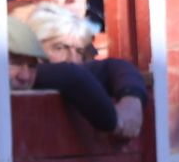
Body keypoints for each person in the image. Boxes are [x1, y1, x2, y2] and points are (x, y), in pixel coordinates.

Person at [13, 11, 150, 139]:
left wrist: (131, 97)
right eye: (59, 47)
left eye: (79, 51)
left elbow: (115, 67)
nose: (73, 58)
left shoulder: (75, 68)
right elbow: (71, 75)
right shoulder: (21, 73)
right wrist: (115, 122)